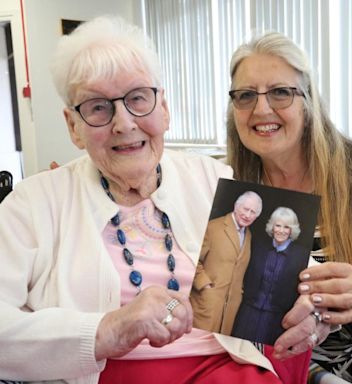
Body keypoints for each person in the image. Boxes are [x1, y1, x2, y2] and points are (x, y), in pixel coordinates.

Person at [0, 18, 312, 384]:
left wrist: (305, 304)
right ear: (73, 126)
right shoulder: (35, 202)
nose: (124, 124)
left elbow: (270, 274)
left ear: (163, 108)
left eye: (137, 99)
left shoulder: (214, 180)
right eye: (98, 107)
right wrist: (106, 331)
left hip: (225, 371)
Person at [226, 32, 352, 383]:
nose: (261, 109)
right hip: (257, 368)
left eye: (280, 92)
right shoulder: (231, 183)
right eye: (246, 95)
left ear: (308, 102)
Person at [232, 207, 310, 345]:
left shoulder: (302, 256)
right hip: (249, 312)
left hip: (276, 318)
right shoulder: (257, 246)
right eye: (278, 225)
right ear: (272, 227)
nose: (281, 230)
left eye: (286, 227)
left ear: (292, 230)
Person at [191, 190, 262, 334]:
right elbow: (193, 259)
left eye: (253, 212)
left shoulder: (248, 235)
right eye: (245, 209)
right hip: (206, 302)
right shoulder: (212, 227)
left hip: (230, 309)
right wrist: (204, 285)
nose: (248, 215)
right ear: (236, 206)